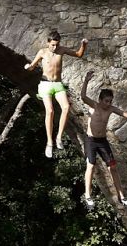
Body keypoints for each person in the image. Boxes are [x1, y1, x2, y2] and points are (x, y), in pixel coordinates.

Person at [80, 70, 127, 209]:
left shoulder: (110, 109)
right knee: (90, 166)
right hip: (91, 140)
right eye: (106, 101)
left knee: (113, 167)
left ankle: (121, 196)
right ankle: (88, 195)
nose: (108, 103)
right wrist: (86, 81)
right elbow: (83, 97)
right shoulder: (95, 106)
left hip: (102, 141)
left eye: (110, 101)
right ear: (100, 100)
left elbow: (126, 114)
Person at [25, 30, 88, 158]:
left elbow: (79, 54)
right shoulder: (42, 52)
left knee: (66, 107)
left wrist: (84, 45)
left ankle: (59, 137)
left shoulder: (62, 50)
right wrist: (28, 67)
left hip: (58, 84)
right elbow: (32, 66)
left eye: (57, 45)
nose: (55, 47)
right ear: (48, 43)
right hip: (45, 84)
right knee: (50, 111)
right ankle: (49, 142)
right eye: (52, 44)